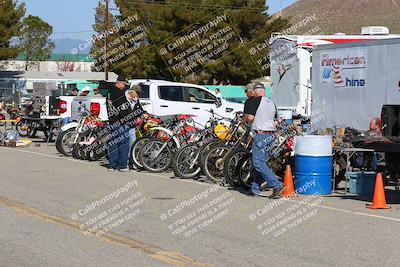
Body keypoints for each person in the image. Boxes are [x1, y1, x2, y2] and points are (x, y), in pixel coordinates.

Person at [244, 82, 285, 198]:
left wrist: (245, 119)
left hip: (260, 134)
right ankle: (255, 189)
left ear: (255, 92)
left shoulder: (255, 101)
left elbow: (250, 117)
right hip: (271, 135)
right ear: (264, 91)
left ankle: (276, 185)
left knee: (257, 163)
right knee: (261, 162)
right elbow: (276, 121)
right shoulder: (271, 102)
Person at [106, 75, 142, 172]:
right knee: (124, 143)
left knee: (113, 143)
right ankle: (122, 165)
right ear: (119, 83)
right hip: (121, 122)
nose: (125, 87)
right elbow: (123, 109)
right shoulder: (120, 93)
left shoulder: (110, 92)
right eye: (124, 84)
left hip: (112, 121)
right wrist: (130, 118)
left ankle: (112, 165)